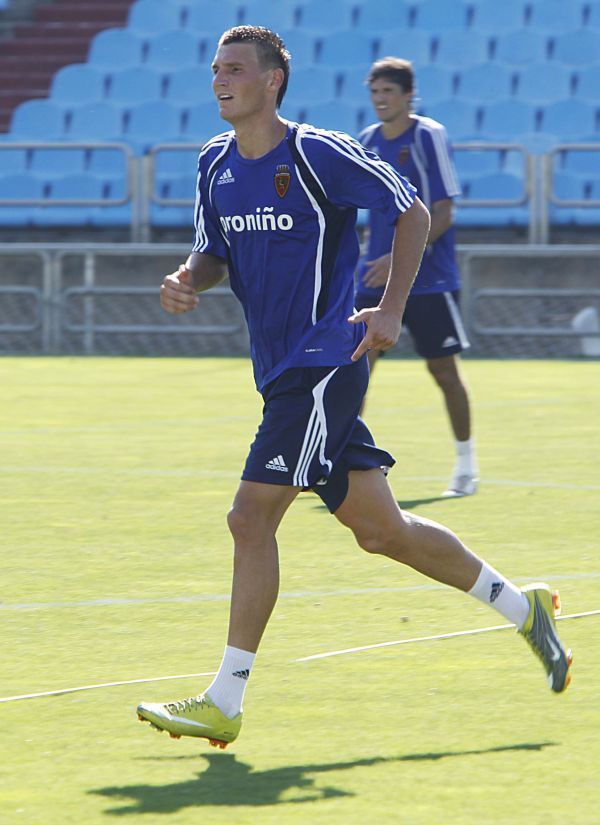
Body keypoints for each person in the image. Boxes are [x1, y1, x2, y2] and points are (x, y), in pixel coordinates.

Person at [137, 26, 571, 749]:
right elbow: (213, 252)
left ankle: (225, 697)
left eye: (235, 69)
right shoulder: (214, 163)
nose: (220, 80)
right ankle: (523, 606)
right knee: (382, 531)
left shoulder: (316, 152)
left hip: (325, 361)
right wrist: (189, 279)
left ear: (273, 81)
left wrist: (394, 307)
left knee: (250, 518)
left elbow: (412, 209)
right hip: (281, 372)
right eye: (215, 68)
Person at [355, 57, 478, 498]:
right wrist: (375, 255)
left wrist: (400, 256)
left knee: (443, 371)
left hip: (430, 278)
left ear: (408, 95)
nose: (380, 100)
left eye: (388, 91)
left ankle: (466, 465)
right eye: (375, 92)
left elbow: (443, 209)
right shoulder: (366, 140)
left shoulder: (428, 135)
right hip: (374, 279)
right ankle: (345, 464)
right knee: (354, 369)